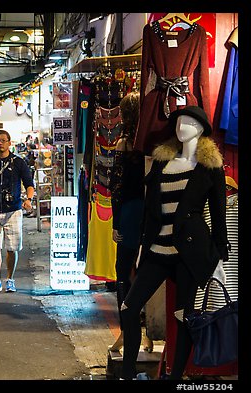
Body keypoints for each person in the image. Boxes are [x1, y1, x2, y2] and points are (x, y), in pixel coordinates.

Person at [119, 106, 229, 380]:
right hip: (157, 250)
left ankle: (176, 374)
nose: (182, 125)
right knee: (130, 308)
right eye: (179, 120)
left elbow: (218, 214)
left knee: (185, 317)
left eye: (190, 121)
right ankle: (127, 371)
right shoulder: (162, 161)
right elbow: (149, 209)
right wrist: (142, 245)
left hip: (190, 252)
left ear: (202, 128)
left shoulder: (209, 167)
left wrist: (219, 256)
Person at [107, 92, 145, 351]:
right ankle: (150, 330)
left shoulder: (125, 143)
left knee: (123, 271)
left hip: (131, 212)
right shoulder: (154, 140)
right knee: (148, 272)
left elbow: (117, 187)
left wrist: (116, 224)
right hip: (153, 211)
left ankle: (126, 332)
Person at [0, 130, 35, 294]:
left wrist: (29, 199)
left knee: (12, 248)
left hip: (14, 210)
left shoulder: (19, 162)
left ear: (9, 143)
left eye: (3, 140)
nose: (0, 143)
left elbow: (29, 183)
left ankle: (10, 279)